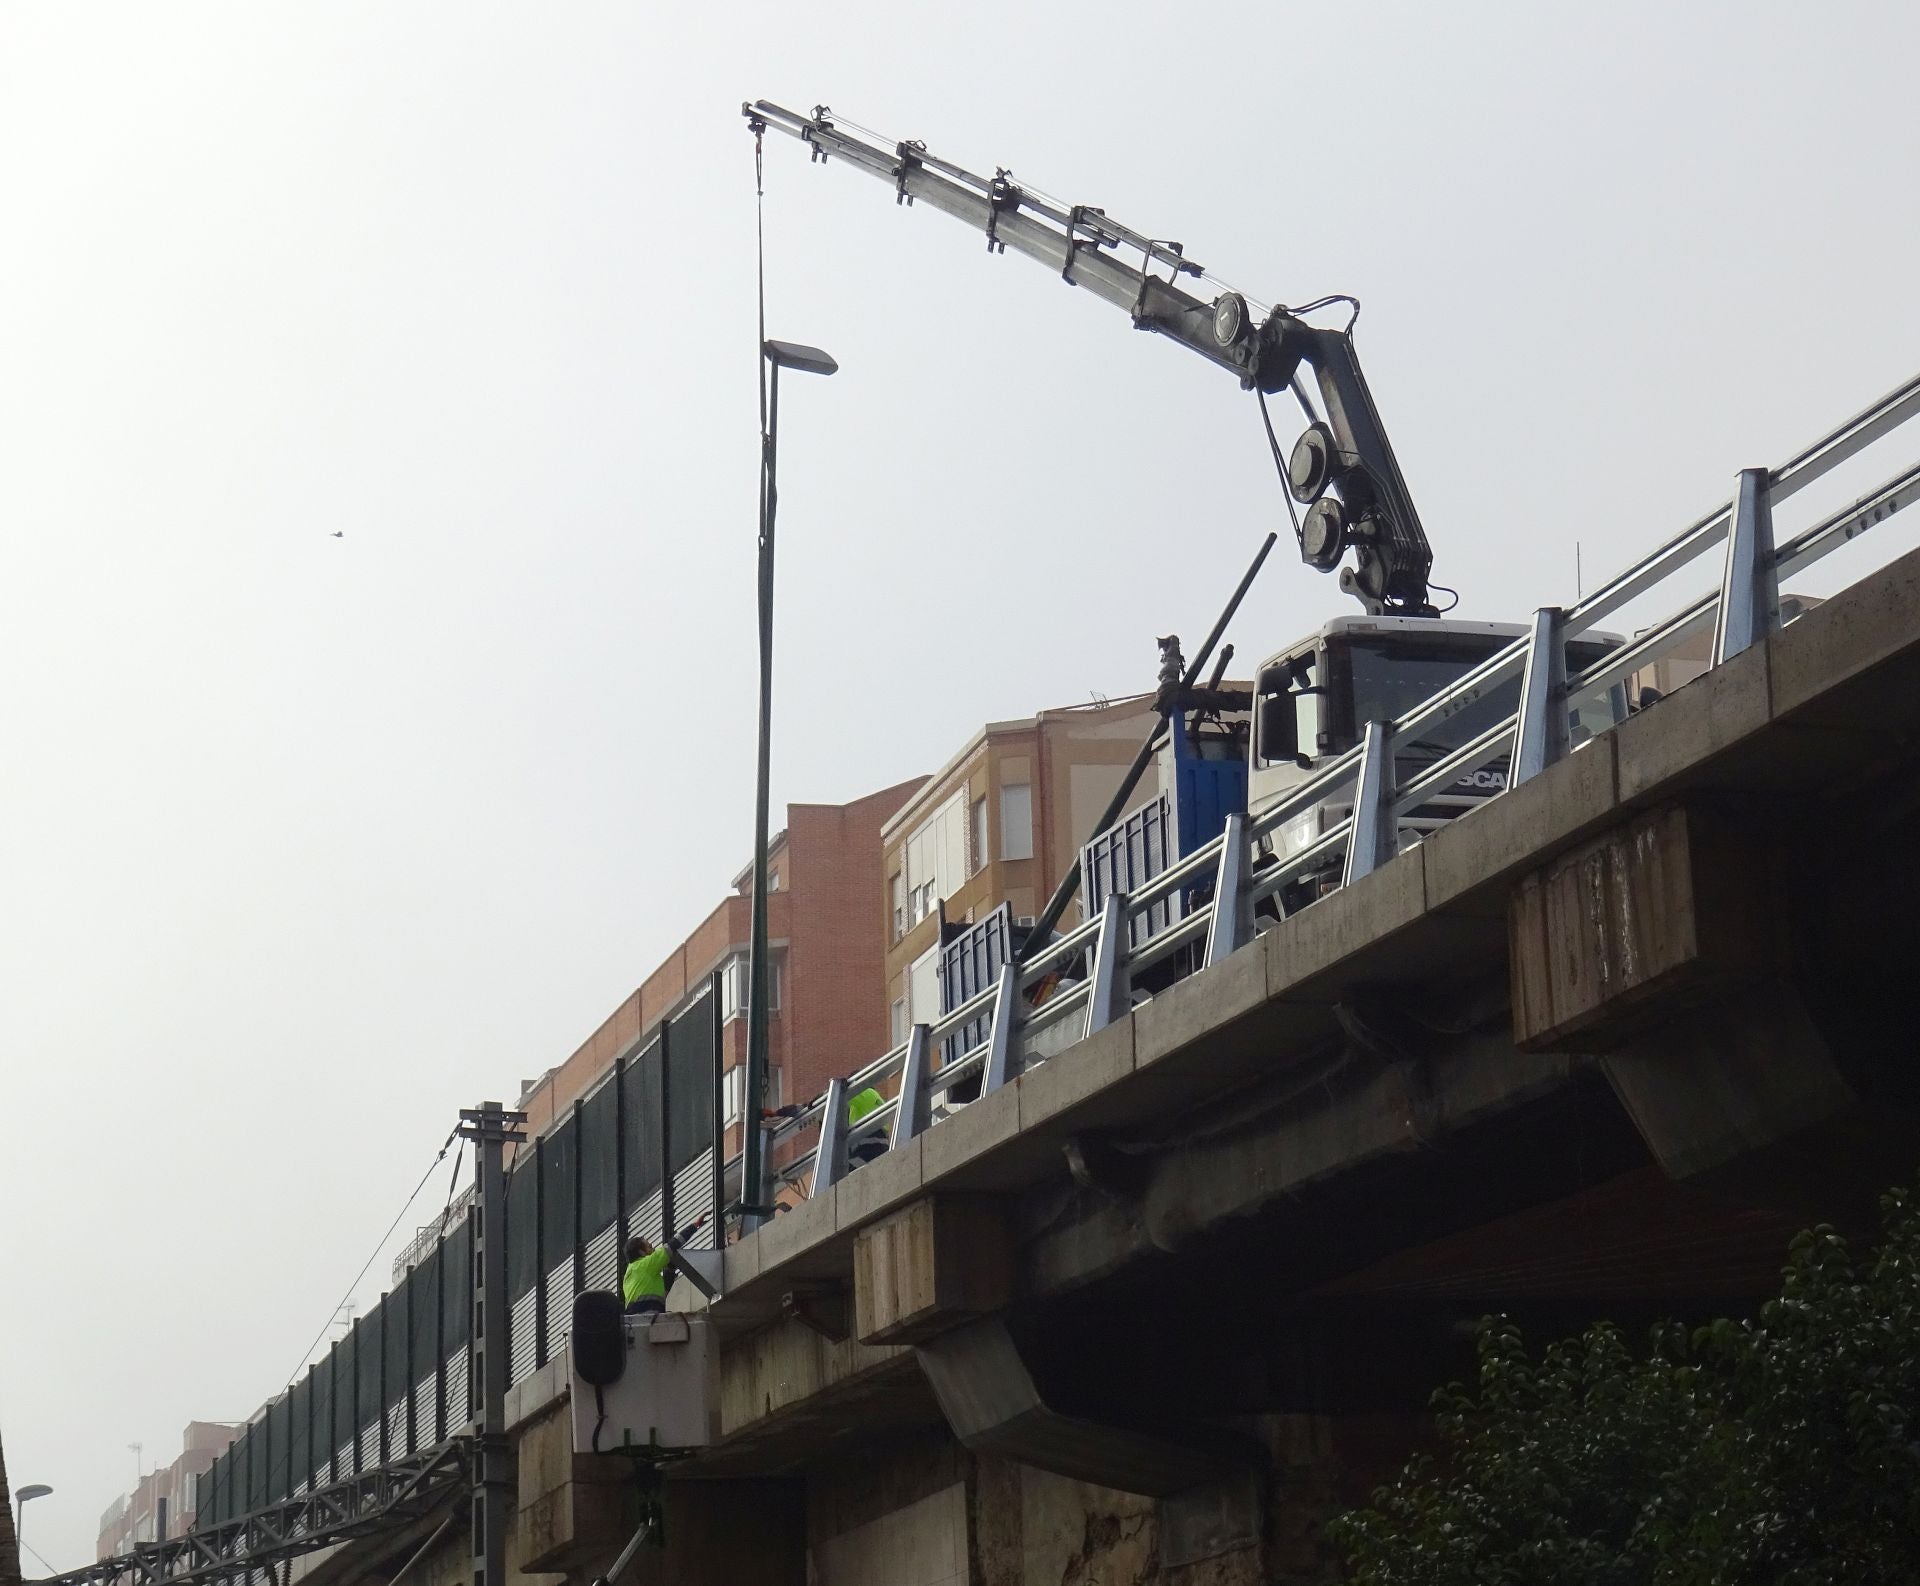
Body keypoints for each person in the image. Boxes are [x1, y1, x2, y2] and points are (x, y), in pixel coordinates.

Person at [621, 1216, 704, 1315]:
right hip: (649, 1314)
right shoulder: (645, 1264)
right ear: (642, 1252)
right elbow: (672, 1245)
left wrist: (670, 1269)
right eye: (650, 1247)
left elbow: (663, 1291)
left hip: (636, 1321)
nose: (653, 1249)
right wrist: (694, 1226)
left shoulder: (630, 1274)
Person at [847, 1085, 887, 1166]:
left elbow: (841, 1096)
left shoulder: (865, 1092)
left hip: (868, 1143)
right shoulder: (872, 1097)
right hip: (878, 1142)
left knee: (847, 1174)